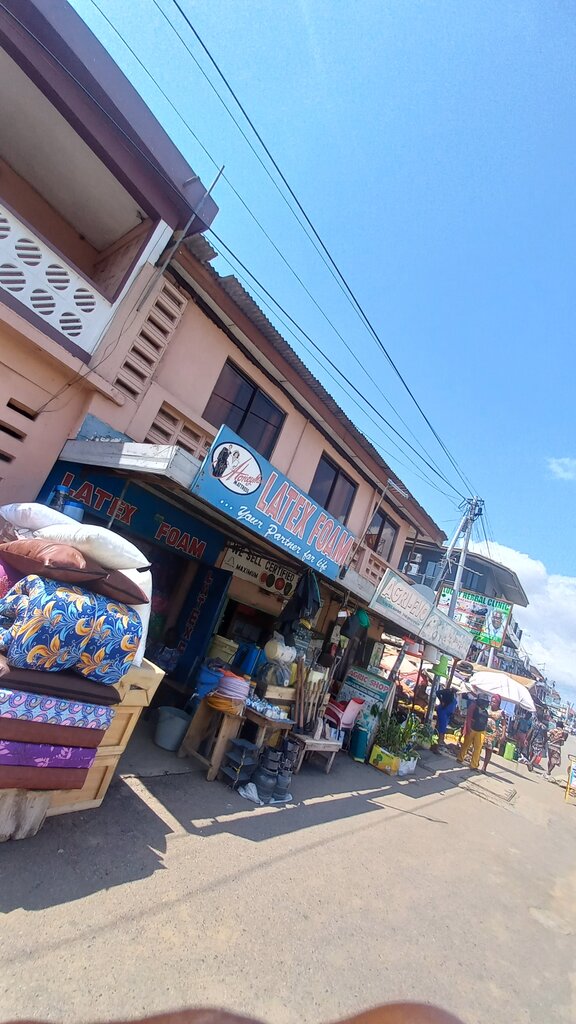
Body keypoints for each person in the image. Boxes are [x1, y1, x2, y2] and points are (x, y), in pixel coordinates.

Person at [457, 694, 489, 770]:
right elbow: (468, 717)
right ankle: (460, 758)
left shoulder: (486, 711)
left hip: (481, 731)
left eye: (485, 702)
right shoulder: (473, 707)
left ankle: (474, 765)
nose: (484, 703)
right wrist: (468, 727)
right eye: (483, 701)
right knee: (466, 745)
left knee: (478, 748)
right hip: (472, 729)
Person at [482, 694, 506, 773]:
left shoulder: (501, 712)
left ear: (498, 703)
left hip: (493, 734)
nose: (492, 703)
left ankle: (484, 767)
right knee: (478, 746)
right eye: (492, 701)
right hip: (483, 730)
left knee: (488, 750)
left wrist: (503, 735)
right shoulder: (487, 708)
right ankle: (475, 762)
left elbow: (503, 724)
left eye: (494, 702)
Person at [435, 684, 458, 749]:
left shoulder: (455, 694)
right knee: (442, 728)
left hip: (448, 714)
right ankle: (438, 743)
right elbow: (438, 692)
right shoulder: (447, 691)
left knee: (443, 727)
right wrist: (441, 701)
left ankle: (440, 742)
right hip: (443, 711)